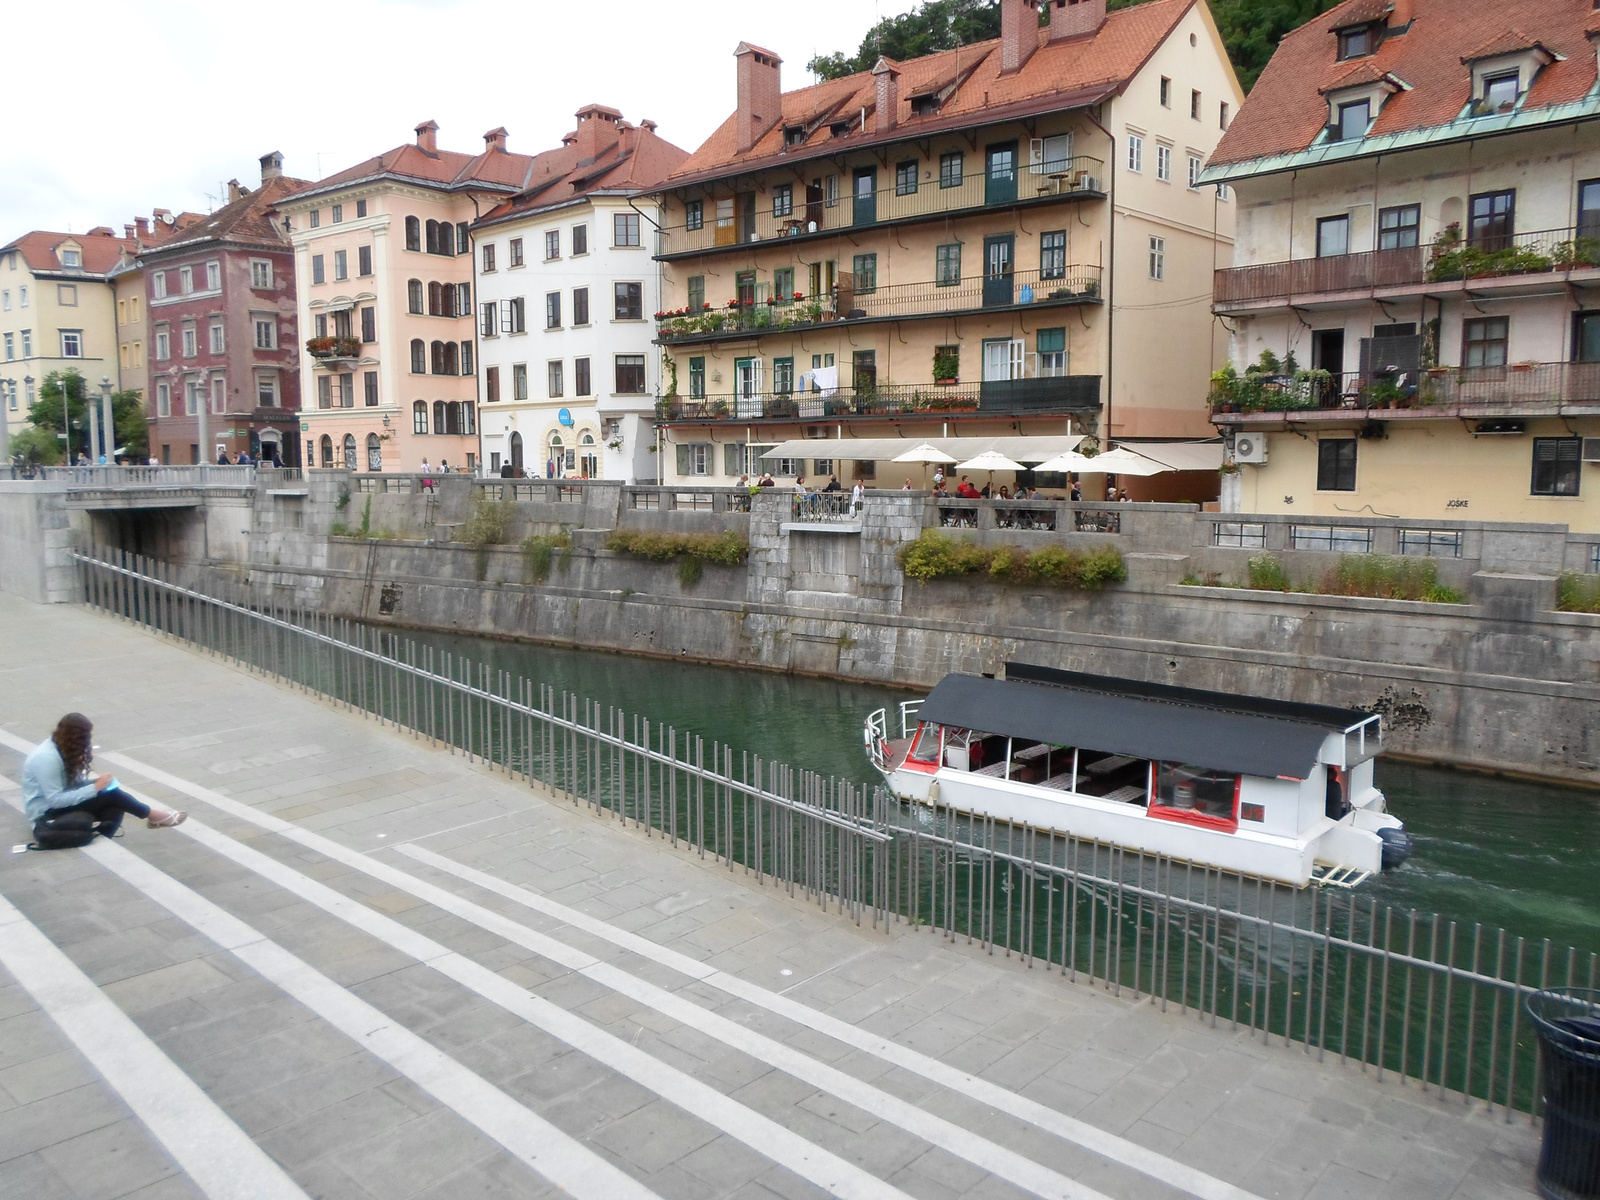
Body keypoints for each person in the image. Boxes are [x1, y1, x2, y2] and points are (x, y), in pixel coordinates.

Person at [22, 714, 185, 840]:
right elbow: (55, 799)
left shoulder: (61, 748)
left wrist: (94, 783)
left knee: (112, 801)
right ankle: (155, 816)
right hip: (45, 814)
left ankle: (99, 833)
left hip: (58, 804)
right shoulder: (47, 758)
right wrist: (95, 788)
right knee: (111, 795)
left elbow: (69, 785)